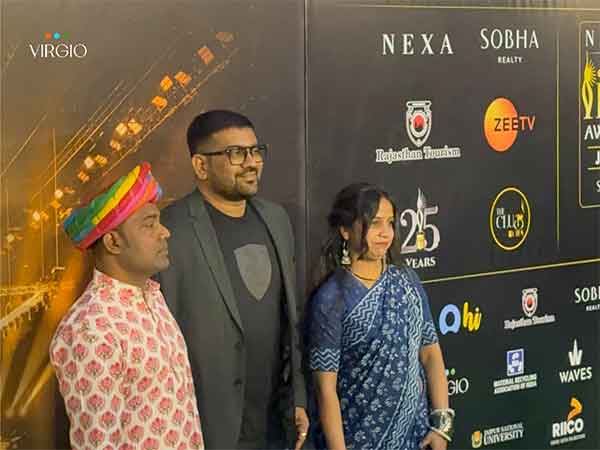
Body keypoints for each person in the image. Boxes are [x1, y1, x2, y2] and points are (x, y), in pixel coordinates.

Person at [155, 110, 309, 450]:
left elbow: (290, 319)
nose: (252, 162)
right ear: (200, 166)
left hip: (275, 424)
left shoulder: (276, 219)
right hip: (207, 427)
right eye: (236, 153)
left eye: (256, 151)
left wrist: (298, 396)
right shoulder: (170, 230)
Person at [49, 162, 204, 450]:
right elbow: (99, 443)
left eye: (159, 221)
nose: (165, 232)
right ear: (113, 241)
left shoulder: (153, 298)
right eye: (149, 224)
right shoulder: (90, 329)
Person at [307, 183, 453, 450]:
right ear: (345, 230)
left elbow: (430, 354)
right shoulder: (332, 298)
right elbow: (325, 389)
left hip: (415, 438)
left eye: (390, 223)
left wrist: (441, 427)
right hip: (358, 439)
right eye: (374, 224)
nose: (386, 233)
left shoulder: (407, 281)